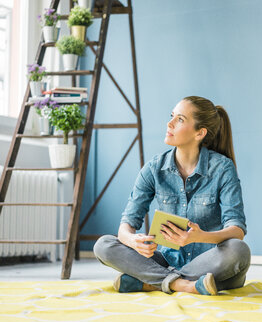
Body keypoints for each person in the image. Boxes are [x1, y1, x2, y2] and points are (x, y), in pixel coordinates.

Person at [93, 96, 250, 295]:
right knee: (104, 245)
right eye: (172, 116)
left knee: (238, 251)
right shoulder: (153, 168)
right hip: (165, 260)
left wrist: (201, 236)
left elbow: (237, 230)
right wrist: (133, 241)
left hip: (209, 260)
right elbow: (126, 225)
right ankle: (184, 285)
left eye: (180, 119)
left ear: (200, 133)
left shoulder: (222, 168)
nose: (170, 123)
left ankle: (151, 282)